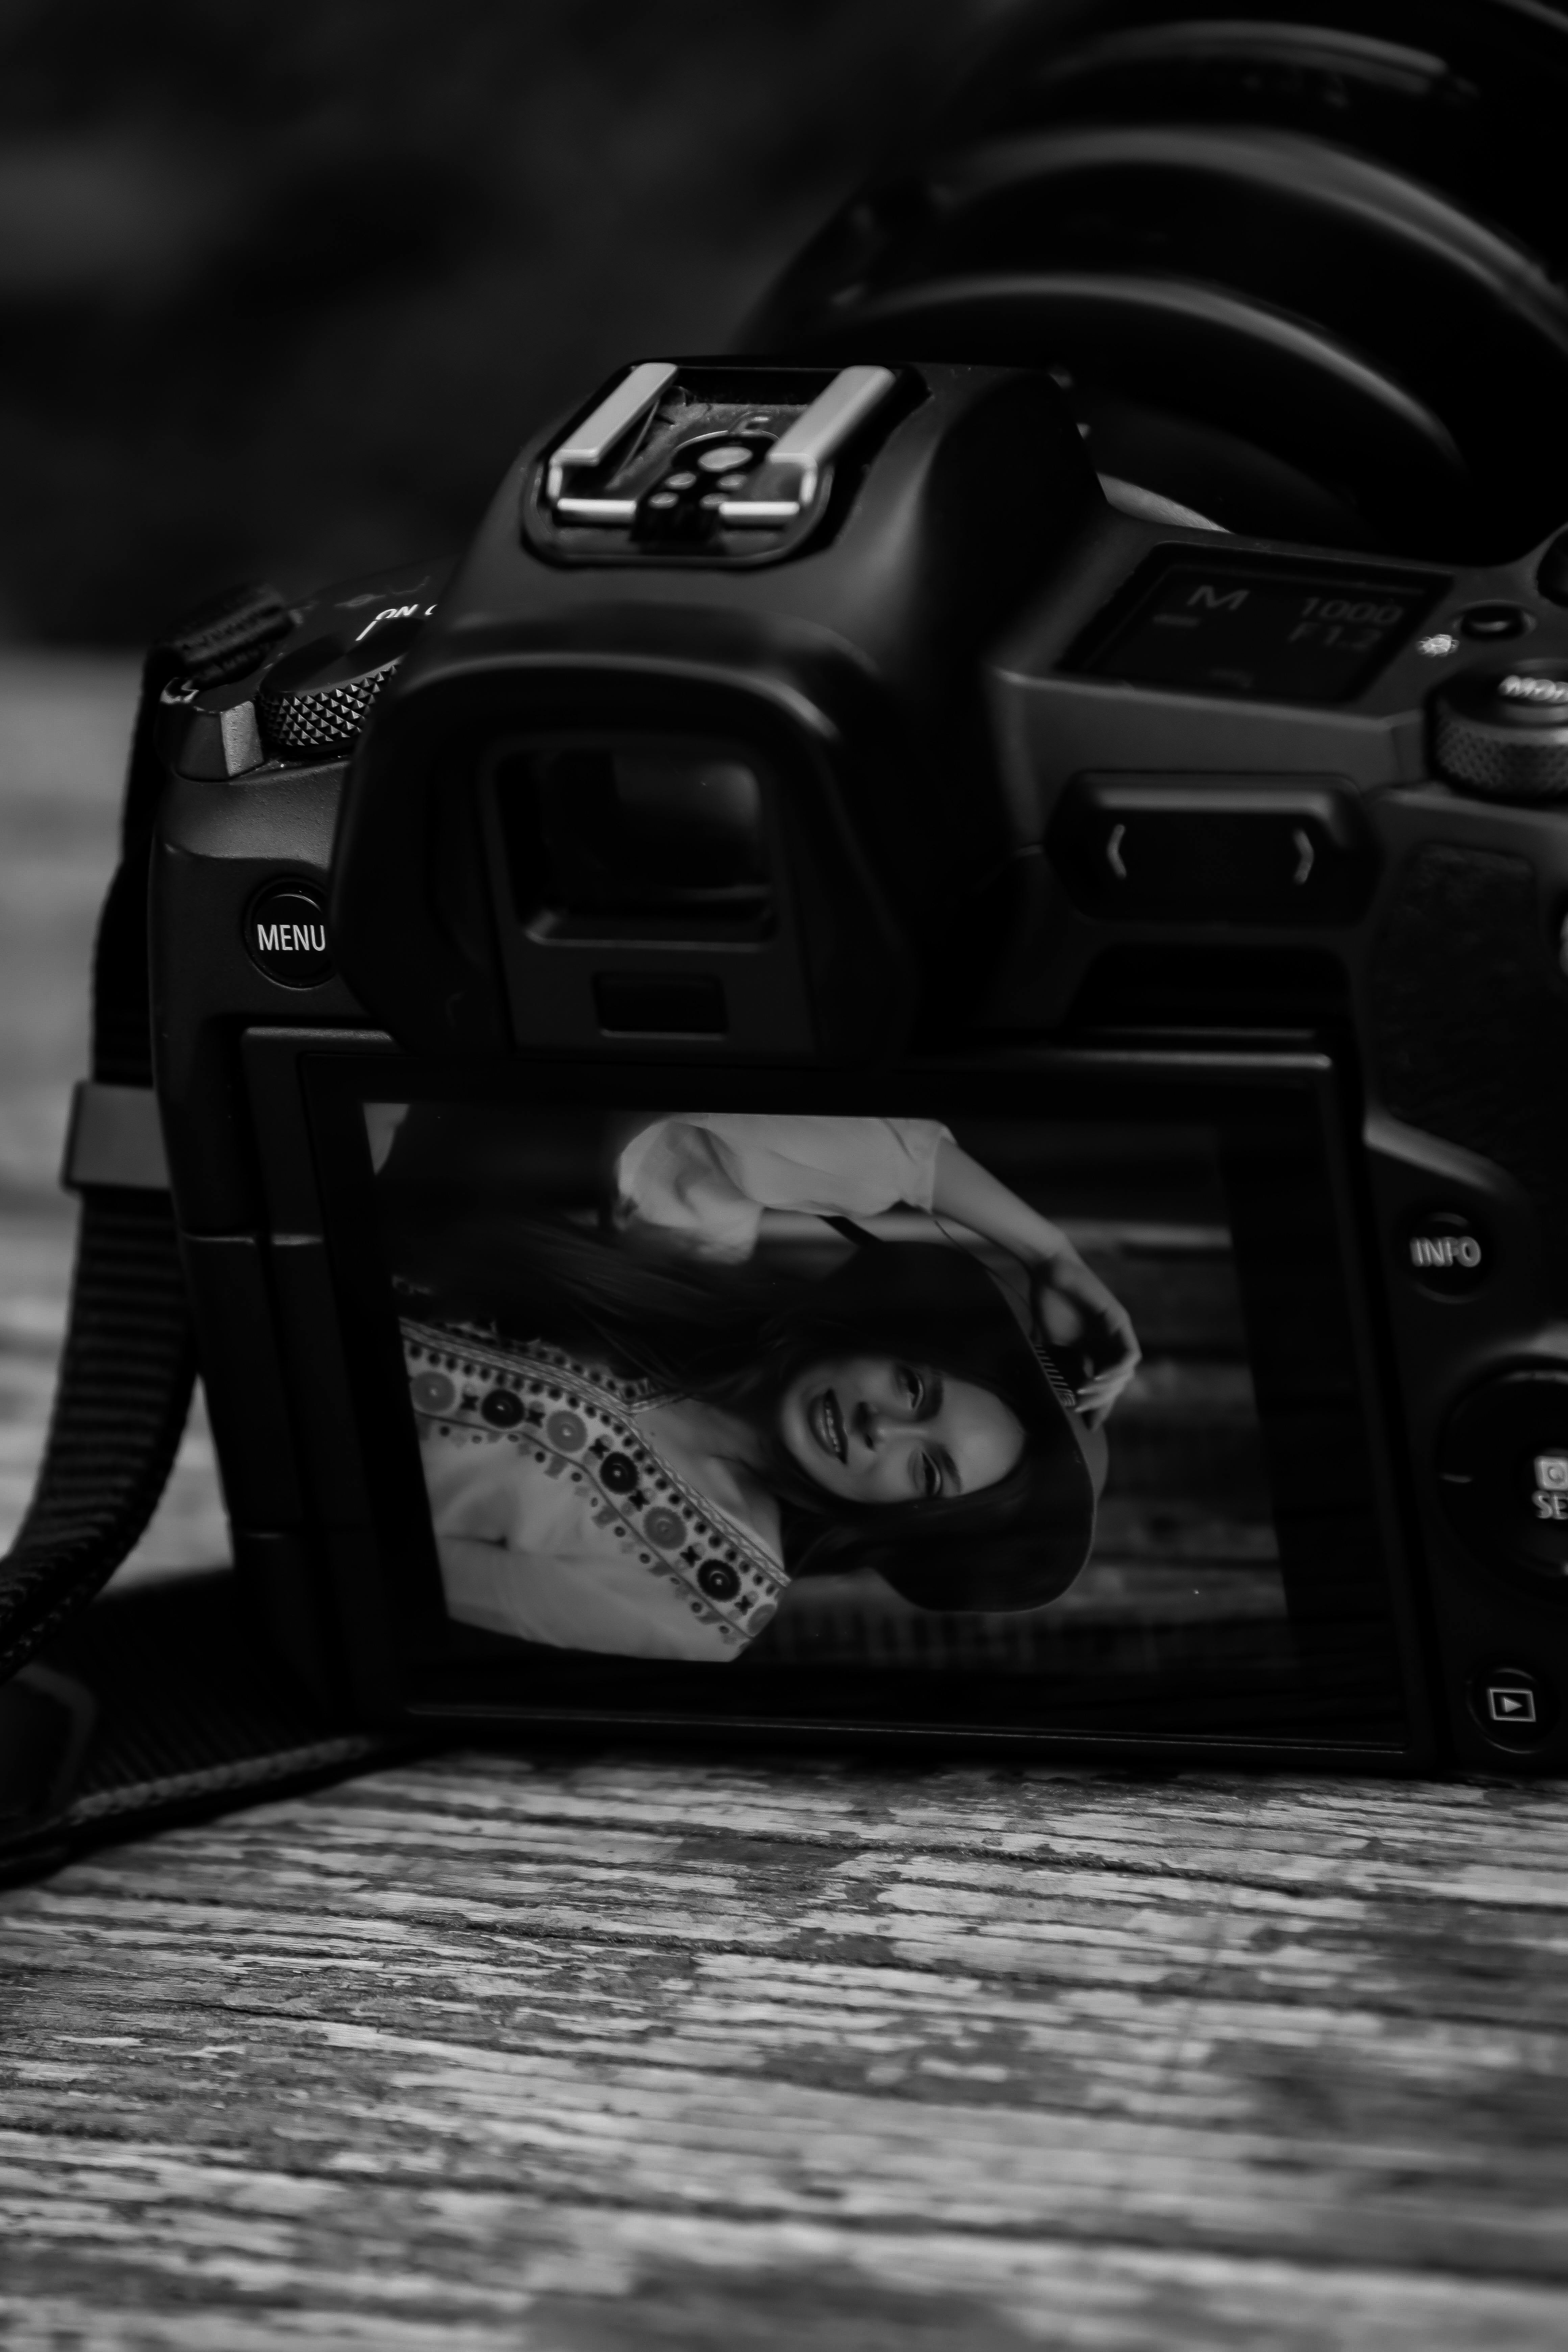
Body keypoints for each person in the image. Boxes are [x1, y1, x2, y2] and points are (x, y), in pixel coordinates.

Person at [392, 1113, 1141, 1662]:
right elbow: (713, 1129)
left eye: (927, 1469)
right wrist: (1047, 1251)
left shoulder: (708, 1601)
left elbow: (398, 1580)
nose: (884, 1428)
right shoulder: (687, 1266)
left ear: (903, 1520)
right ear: (882, 1344)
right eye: (914, 1389)